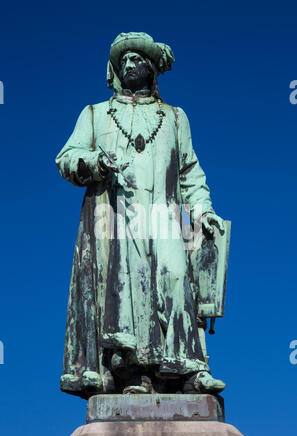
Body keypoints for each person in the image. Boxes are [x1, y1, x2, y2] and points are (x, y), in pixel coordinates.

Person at [56, 32, 226, 398]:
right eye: (125, 60)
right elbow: (66, 158)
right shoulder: (95, 113)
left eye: (138, 59)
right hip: (116, 217)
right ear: (117, 70)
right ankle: (135, 374)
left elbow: (190, 173)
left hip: (166, 214)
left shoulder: (175, 117)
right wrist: (94, 162)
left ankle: (189, 371)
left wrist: (204, 210)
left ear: (151, 68)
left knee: (178, 279)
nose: (131, 64)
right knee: (128, 294)